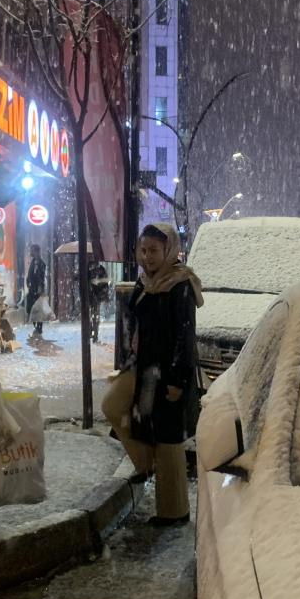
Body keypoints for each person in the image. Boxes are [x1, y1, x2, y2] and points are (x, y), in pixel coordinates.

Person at [104, 223, 203, 526]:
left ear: (169, 250)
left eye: (154, 251)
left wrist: (176, 379)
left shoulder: (180, 284)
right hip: (144, 367)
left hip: (171, 371)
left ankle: (175, 512)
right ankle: (145, 464)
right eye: (143, 250)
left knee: (169, 441)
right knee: (112, 405)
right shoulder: (146, 283)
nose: (147, 257)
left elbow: (184, 336)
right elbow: (134, 320)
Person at [24, 244, 47, 339]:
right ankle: (35, 325)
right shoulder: (33, 262)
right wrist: (28, 281)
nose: (30, 252)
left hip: (38, 289)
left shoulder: (42, 263)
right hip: (32, 288)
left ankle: (39, 328)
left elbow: (41, 277)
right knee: (30, 308)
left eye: (32, 250)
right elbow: (30, 274)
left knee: (39, 309)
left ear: (36, 251)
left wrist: (40, 288)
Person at [88, 260, 110, 343]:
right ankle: (91, 333)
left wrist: (98, 282)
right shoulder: (88, 269)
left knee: (95, 316)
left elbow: (105, 281)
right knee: (91, 316)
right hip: (90, 296)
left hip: (96, 296)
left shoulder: (100, 269)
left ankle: (94, 336)